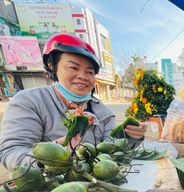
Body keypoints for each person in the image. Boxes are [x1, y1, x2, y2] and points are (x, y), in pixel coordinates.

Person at [0, 33, 147, 171]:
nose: (82, 76)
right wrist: (50, 158)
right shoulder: (30, 101)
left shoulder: (102, 112)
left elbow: (112, 148)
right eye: (73, 67)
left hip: (95, 186)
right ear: (53, 67)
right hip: (50, 191)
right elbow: (11, 151)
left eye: (89, 72)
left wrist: (132, 137)